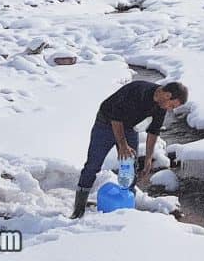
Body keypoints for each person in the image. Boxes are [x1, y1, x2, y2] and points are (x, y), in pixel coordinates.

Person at [70, 79, 189, 219]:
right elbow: (116, 118)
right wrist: (122, 145)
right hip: (106, 123)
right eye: (172, 105)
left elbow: (153, 131)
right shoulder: (138, 90)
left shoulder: (160, 107)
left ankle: (126, 207)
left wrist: (149, 158)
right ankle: (78, 209)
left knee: (130, 167)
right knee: (93, 164)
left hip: (129, 127)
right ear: (168, 95)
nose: (171, 109)